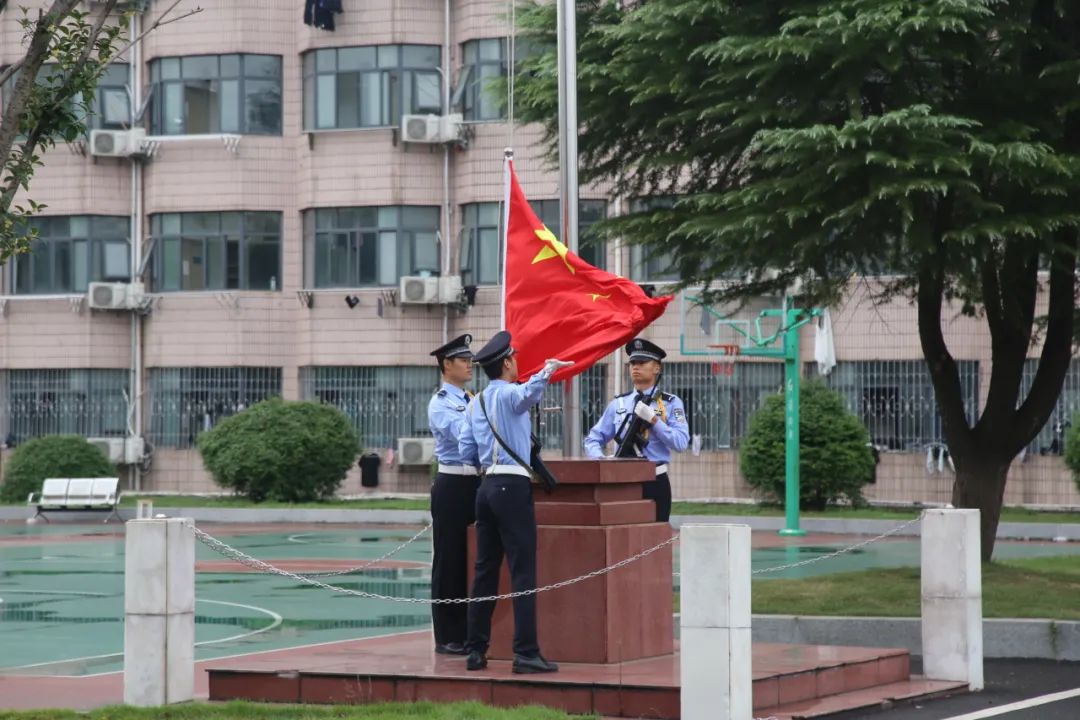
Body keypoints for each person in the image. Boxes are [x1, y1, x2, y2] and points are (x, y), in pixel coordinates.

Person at [458, 330, 572, 674]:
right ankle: (525, 652)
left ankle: (476, 650)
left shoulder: (475, 402)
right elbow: (529, 394)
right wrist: (548, 369)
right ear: (507, 363)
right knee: (522, 571)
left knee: (484, 572)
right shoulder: (510, 395)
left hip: (485, 486)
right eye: (515, 359)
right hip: (512, 486)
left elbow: (466, 449)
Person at [584, 338, 689, 522]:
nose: (635, 367)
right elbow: (593, 439)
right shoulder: (619, 403)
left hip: (654, 480)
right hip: (623, 480)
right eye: (632, 363)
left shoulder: (670, 403)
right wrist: (600, 459)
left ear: (657, 368)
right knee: (622, 536)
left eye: (642, 363)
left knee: (655, 537)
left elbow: (680, 442)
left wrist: (655, 421)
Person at [427, 333, 480, 656]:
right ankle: (448, 635)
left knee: (473, 558)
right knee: (450, 560)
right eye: (463, 360)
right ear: (447, 365)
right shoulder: (441, 403)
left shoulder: (469, 397)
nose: (469, 365)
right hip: (452, 484)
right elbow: (465, 435)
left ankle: (470, 629)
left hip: (475, 482)